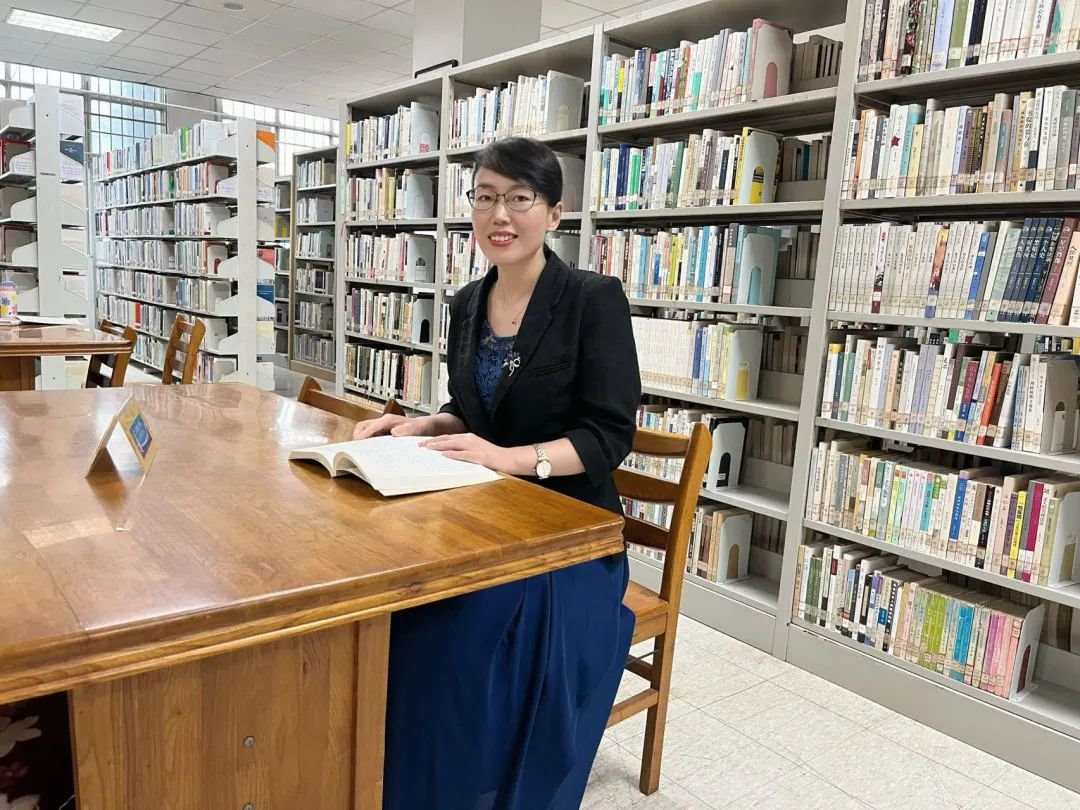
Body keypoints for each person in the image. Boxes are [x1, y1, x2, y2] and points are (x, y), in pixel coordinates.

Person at [352, 136, 642, 809]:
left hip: (568, 535)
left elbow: (608, 435)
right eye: (485, 198)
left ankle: (476, 791)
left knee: (455, 634)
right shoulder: (465, 302)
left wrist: (510, 459)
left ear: (555, 213)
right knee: (402, 611)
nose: (499, 215)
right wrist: (425, 425)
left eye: (519, 198)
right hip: (482, 517)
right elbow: (473, 408)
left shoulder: (592, 299)